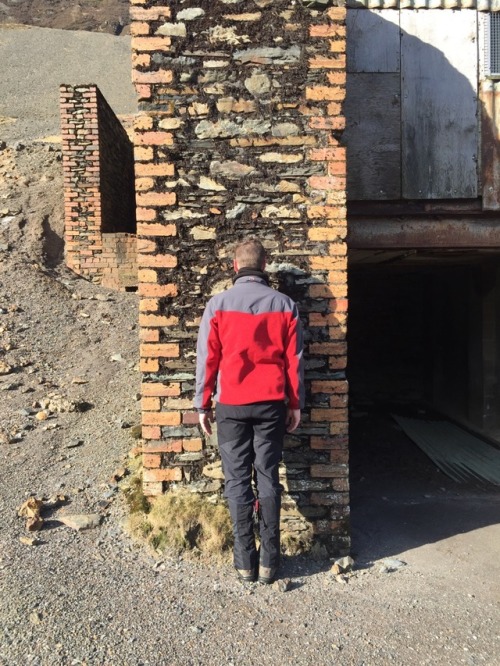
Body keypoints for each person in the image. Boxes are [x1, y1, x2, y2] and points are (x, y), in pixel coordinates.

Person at [194, 238, 304, 584]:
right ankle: (270, 564)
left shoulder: (218, 304)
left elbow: (207, 359)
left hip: (231, 406)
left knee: (237, 480)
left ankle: (245, 564)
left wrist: (202, 403)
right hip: (271, 403)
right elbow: (294, 361)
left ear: (234, 266)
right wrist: (296, 403)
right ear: (266, 264)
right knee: (268, 477)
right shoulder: (285, 304)